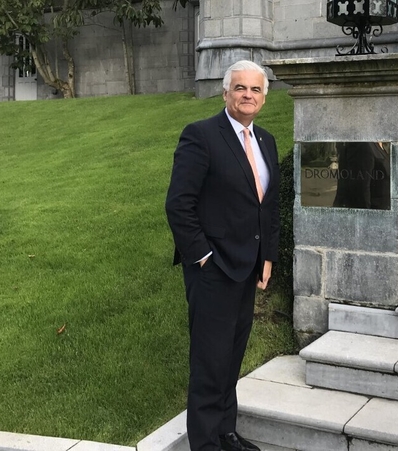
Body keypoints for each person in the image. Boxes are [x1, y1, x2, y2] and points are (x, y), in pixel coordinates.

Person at [165, 60, 279, 451]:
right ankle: (205, 443)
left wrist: (268, 256)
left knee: (231, 358)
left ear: (264, 97)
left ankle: (225, 433)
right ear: (226, 93)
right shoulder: (201, 136)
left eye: (256, 89)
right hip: (213, 270)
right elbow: (179, 205)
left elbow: (269, 206)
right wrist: (202, 258)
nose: (248, 95)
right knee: (209, 362)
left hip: (248, 267)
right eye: (241, 88)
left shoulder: (265, 140)